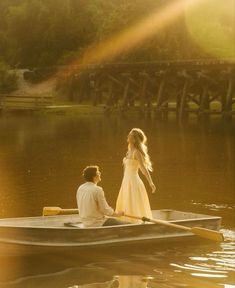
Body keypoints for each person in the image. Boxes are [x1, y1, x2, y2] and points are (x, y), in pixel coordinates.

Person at [116, 128, 156, 223]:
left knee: (133, 202)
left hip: (133, 182)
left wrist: (151, 182)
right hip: (126, 181)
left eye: (130, 135)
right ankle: (126, 221)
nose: (128, 136)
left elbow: (143, 168)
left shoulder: (136, 152)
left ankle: (135, 221)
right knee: (126, 201)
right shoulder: (129, 151)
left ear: (134, 139)